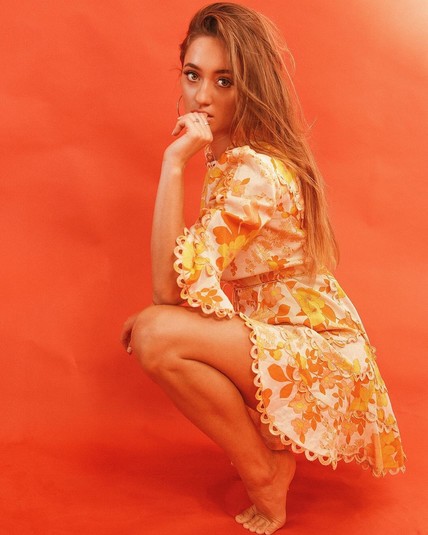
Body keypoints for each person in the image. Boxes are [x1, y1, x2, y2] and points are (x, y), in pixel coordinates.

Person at [121, 3, 406, 534]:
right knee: (156, 330)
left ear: (249, 87)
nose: (202, 97)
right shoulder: (233, 160)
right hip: (288, 340)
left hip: (322, 356)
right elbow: (175, 291)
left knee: (156, 333)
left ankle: (265, 473)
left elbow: (166, 293)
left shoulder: (253, 171)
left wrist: (173, 164)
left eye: (224, 81)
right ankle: (265, 458)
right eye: (193, 75)